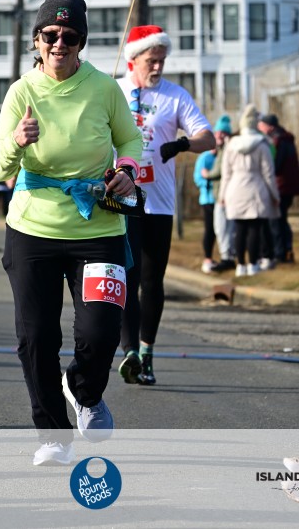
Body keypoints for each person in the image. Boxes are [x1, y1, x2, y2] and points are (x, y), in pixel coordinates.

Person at [0, 0, 141, 467]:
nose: (59, 43)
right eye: (50, 35)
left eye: (69, 36)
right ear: (37, 40)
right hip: (33, 228)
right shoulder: (22, 92)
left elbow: (130, 139)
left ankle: (84, 391)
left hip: (99, 227)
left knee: (101, 331)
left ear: (81, 42)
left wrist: (127, 169)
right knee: (36, 337)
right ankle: (53, 436)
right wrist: (17, 141)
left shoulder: (104, 88)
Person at [115, 24, 215, 386]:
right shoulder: (113, 91)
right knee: (126, 277)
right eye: (151, 60)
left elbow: (208, 137)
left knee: (152, 280)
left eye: (162, 60)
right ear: (133, 59)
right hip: (121, 200)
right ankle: (128, 351)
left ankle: (146, 353)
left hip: (158, 202)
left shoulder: (174, 96)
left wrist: (183, 144)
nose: (157, 67)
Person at [219, 103, 279, 277]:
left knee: (239, 229)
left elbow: (226, 173)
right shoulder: (262, 145)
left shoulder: (231, 145)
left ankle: (240, 265)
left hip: (235, 189)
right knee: (254, 229)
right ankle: (253, 264)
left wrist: (222, 195)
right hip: (256, 190)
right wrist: (275, 195)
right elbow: (268, 173)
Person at [257, 113, 299, 264]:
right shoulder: (286, 139)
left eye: (262, 125)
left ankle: (280, 253)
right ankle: (286, 250)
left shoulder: (277, 141)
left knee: (276, 221)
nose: (259, 128)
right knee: (282, 219)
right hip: (288, 187)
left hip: (281, 186)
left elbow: (275, 165)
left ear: (269, 127)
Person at [194, 114, 232, 274]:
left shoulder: (225, 154)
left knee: (222, 228)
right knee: (210, 229)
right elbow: (198, 177)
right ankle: (208, 258)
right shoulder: (204, 157)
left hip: (222, 197)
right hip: (208, 198)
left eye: (224, 133)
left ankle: (226, 256)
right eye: (218, 133)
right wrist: (207, 181)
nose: (220, 136)